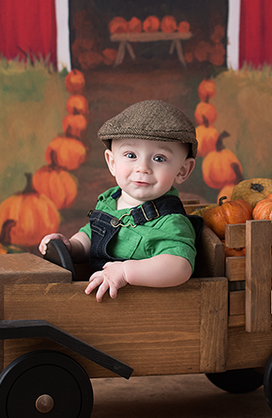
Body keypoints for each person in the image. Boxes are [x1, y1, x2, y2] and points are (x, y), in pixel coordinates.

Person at [39, 99, 201, 301]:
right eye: (131, 155)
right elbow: (92, 235)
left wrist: (126, 272)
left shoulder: (170, 222)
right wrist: (72, 247)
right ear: (112, 162)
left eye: (159, 158)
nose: (143, 168)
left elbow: (179, 266)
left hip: (142, 312)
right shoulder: (110, 200)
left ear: (183, 170)